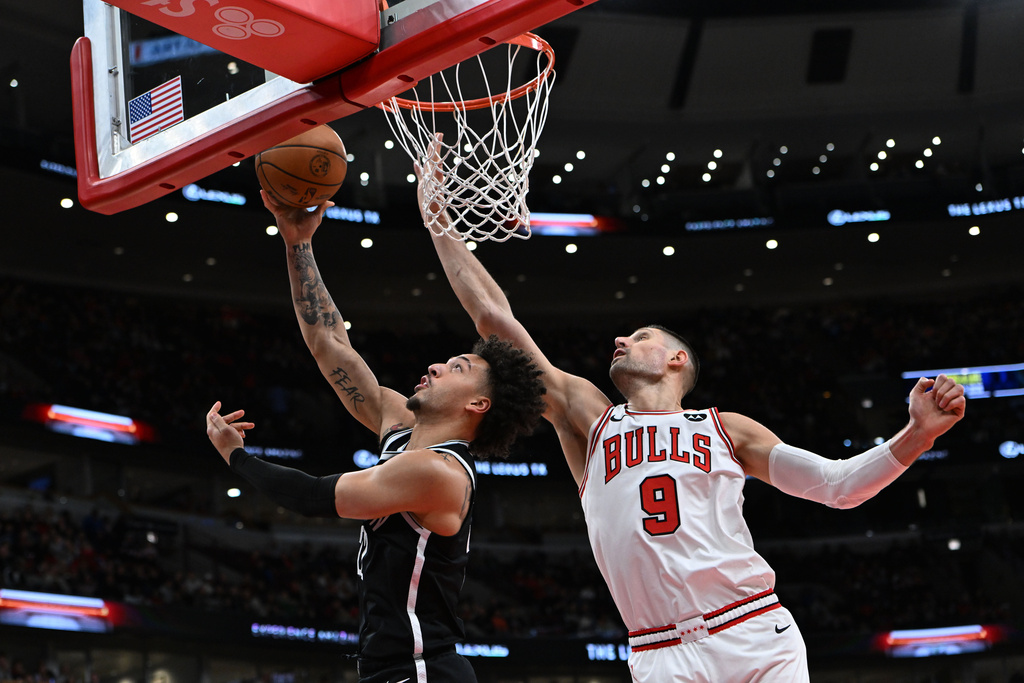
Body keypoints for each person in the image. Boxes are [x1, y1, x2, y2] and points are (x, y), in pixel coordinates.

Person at [415, 134, 967, 682]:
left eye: (641, 335)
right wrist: (437, 216)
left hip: (753, 632)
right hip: (660, 651)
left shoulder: (727, 429)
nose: (622, 341)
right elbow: (494, 317)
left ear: (678, 359)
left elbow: (838, 487)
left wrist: (917, 434)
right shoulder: (589, 416)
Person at [205, 191, 546, 683]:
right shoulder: (400, 428)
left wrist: (237, 458)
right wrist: (297, 243)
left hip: (423, 670)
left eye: (457, 367)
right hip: (392, 667)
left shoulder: (438, 473)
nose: (435, 365)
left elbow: (311, 496)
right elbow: (329, 344)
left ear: (478, 404)